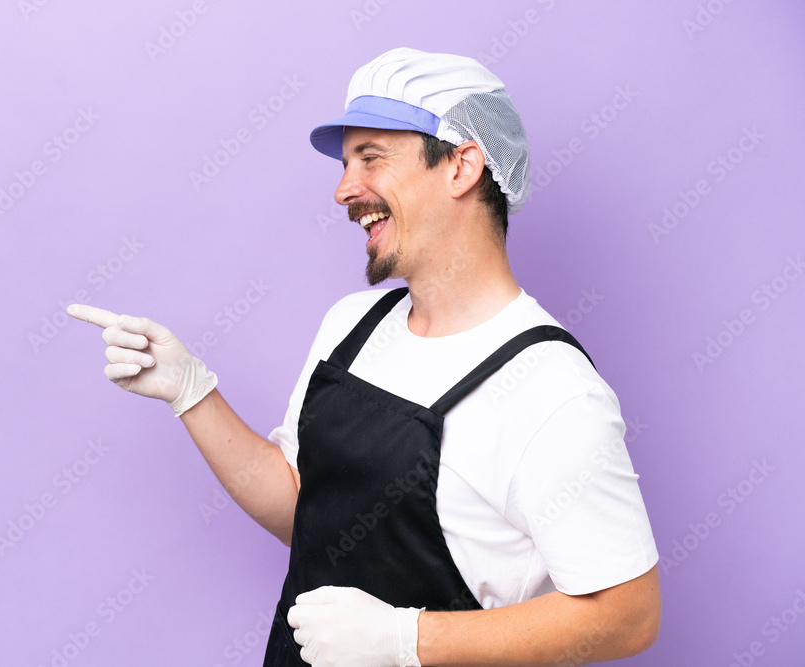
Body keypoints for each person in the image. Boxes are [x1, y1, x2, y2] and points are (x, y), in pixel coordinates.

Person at [68, 47, 660, 667]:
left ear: (461, 166)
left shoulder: (552, 389)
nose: (343, 190)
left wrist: (406, 640)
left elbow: (629, 615)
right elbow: (304, 510)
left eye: (371, 158)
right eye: (346, 163)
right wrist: (191, 392)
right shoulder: (353, 325)